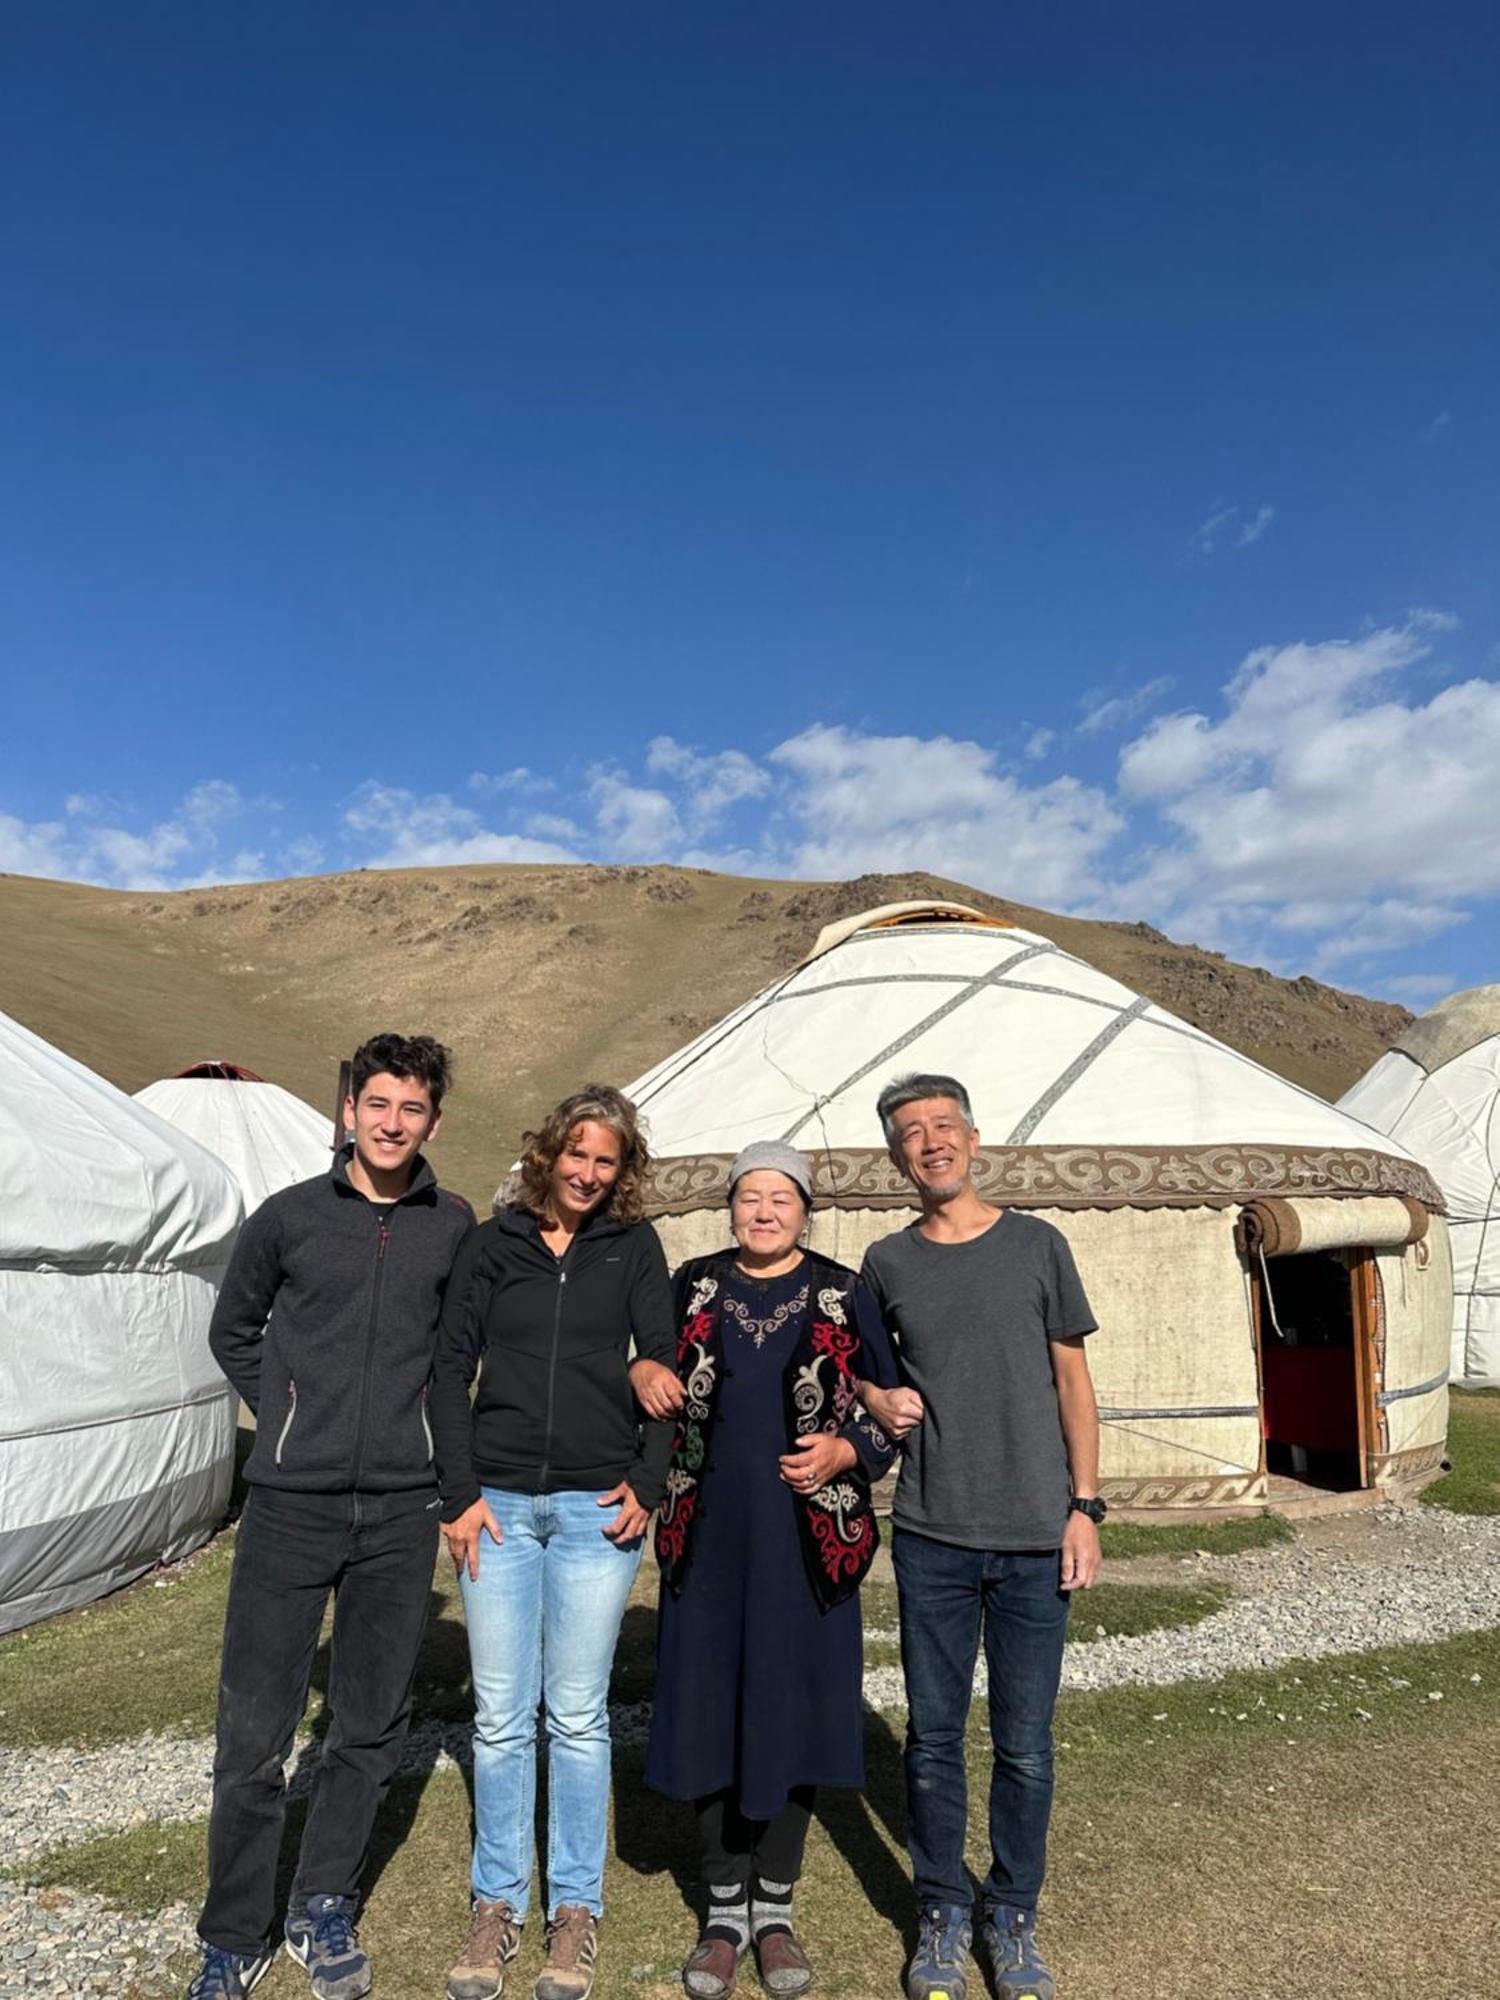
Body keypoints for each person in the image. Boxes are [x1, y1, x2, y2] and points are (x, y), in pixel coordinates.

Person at [189, 1033, 475, 2000]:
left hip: (400, 1508)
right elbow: (234, 1326)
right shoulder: (288, 1217)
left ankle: (325, 1903)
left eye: (413, 1109)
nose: (393, 1124)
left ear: (434, 1120)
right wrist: (290, 1420)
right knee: (255, 1730)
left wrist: (445, 1477)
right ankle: (233, 1931)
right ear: (348, 1109)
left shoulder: (453, 1225)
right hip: (289, 1507)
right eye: (378, 1104)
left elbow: (453, 1358)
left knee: (368, 1723)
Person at [857, 1073, 1103, 2000]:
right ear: (894, 1156)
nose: (931, 1144)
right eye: (912, 1133)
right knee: (931, 1738)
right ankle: (941, 1913)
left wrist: (1087, 1506)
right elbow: (859, 1373)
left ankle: (1012, 1913)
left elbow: (1074, 1382)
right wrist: (876, 1398)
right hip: (932, 1532)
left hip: (1038, 1532)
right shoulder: (885, 1261)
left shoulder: (1039, 1244)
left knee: (1026, 1742)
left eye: (944, 1126)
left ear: (974, 1135)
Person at [430, 1086, 679, 2000]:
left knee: (575, 1715)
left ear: (624, 1170)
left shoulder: (633, 1247)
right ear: (547, 1154)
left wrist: (647, 1484)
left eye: (606, 1160)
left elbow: (665, 1363)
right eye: (577, 1154)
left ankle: (574, 1912)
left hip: (591, 1512)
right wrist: (456, 1495)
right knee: (499, 1716)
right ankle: (496, 1903)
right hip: (494, 1502)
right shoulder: (491, 1245)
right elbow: (449, 1367)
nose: (588, 1172)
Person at [644, 1141, 898, 2000]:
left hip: (807, 1543)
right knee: (712, 1708)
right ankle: (723, 1915)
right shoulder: (693, 1286)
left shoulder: (842, 1289)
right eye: (748, 1197)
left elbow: (892, 1410)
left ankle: (776, 1911)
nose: (762, 1211)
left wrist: (844, 1449)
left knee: (792, 1711)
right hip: (706, 1535)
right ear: (729, 1207)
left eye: (779, 1198)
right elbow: (645, 1380)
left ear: (805, 1208)